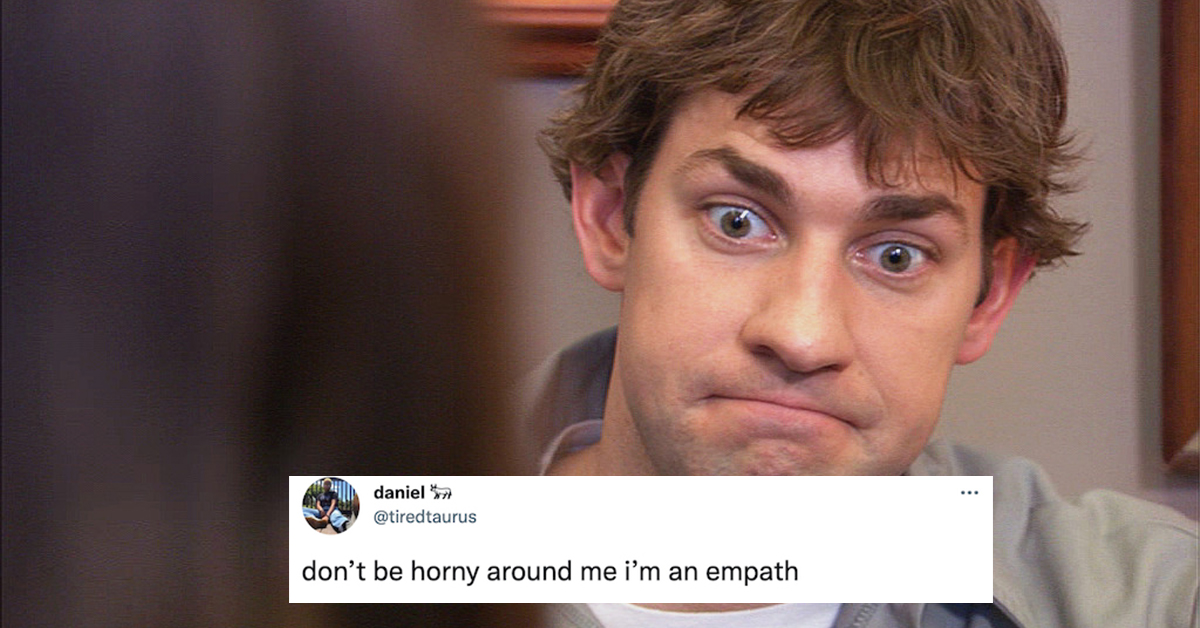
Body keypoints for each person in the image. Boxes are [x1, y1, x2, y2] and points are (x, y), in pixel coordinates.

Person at [527, 0, 1199, 626]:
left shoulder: (1148, 598)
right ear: (609, 217)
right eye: (737, 221)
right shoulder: (457, 537)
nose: (803, 335)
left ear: (989, 297)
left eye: (897, 257)